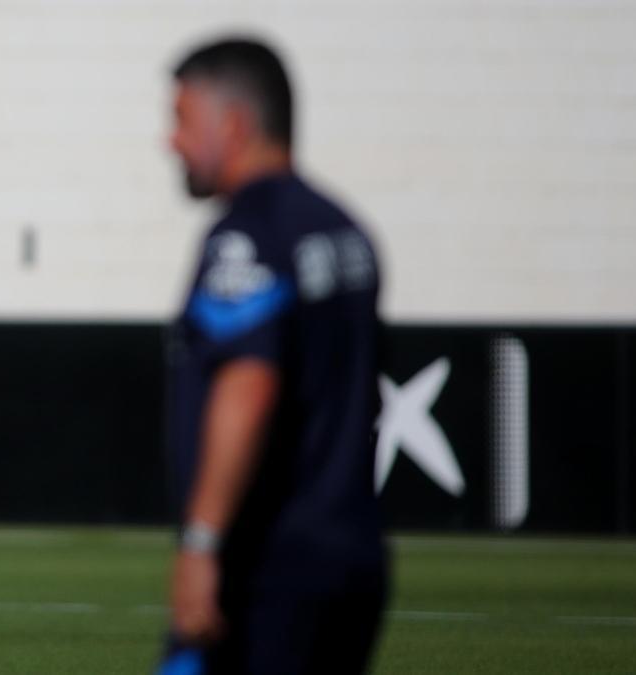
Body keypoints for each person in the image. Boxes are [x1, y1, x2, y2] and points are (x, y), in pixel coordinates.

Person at [160, 37, 388, 674]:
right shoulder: (346, 231)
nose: (169, 141)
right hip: (353, 562)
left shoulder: (247, 237)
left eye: (181, 120)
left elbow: (250, 386)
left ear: (232, 123)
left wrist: (202, 544)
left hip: (266, 569)